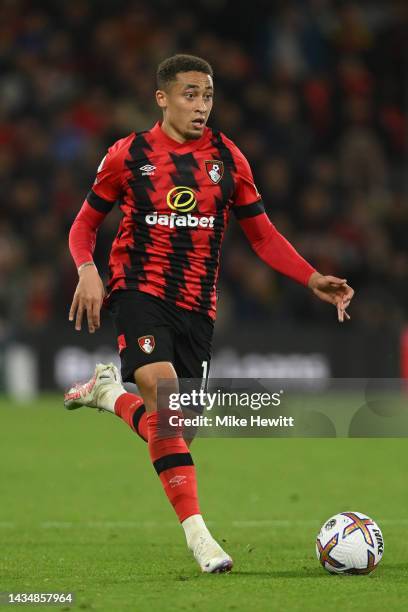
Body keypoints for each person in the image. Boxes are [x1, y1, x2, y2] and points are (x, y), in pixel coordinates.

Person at [64, 54, 354, 574]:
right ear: (163, 98)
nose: (201, 106)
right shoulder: (127, 154)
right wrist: (87, 268)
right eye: (190, 94)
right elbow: (83, 225)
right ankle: (201, 539)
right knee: (163, 391)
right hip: (137, 292)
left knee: (174, 428)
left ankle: (107, 394)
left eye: (208, 95)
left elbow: (262, 235)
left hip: (197, 307)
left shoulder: (227, 158)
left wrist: (311, 277)